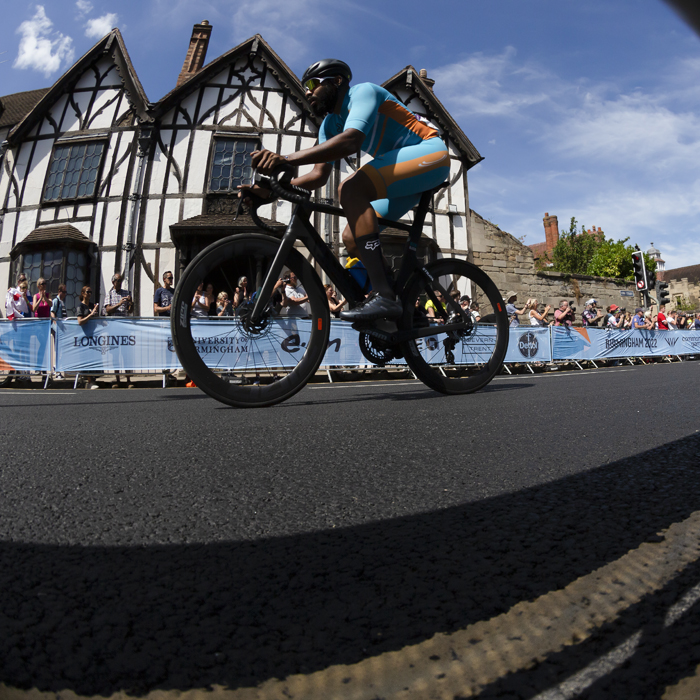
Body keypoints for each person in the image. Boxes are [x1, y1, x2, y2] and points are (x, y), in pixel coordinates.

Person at [242, 58, 451, 322]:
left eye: (312, 84)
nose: (307, 92)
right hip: (405, 177)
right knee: (351, 237)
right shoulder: (329, 126)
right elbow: (318, 176)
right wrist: (269, 190)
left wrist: (287, 159)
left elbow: (352, 141)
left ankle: (384, 296)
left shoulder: (363, 92)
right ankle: (404, 308)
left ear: (337, 81)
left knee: (351, 188)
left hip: (431, 154)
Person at [103, 273, 134, 388]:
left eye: (121, 280)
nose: (120, 283)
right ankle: (117, 380)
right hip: (114, 328)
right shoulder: (110, 294)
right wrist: (119, 304)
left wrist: (130, 302)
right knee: (115, 355)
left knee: (126, 355)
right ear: (113, 282)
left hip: (124, 327)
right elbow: (107, 309)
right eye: (117, 280)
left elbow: (130, 310)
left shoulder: (127, 293)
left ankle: (129, 380)